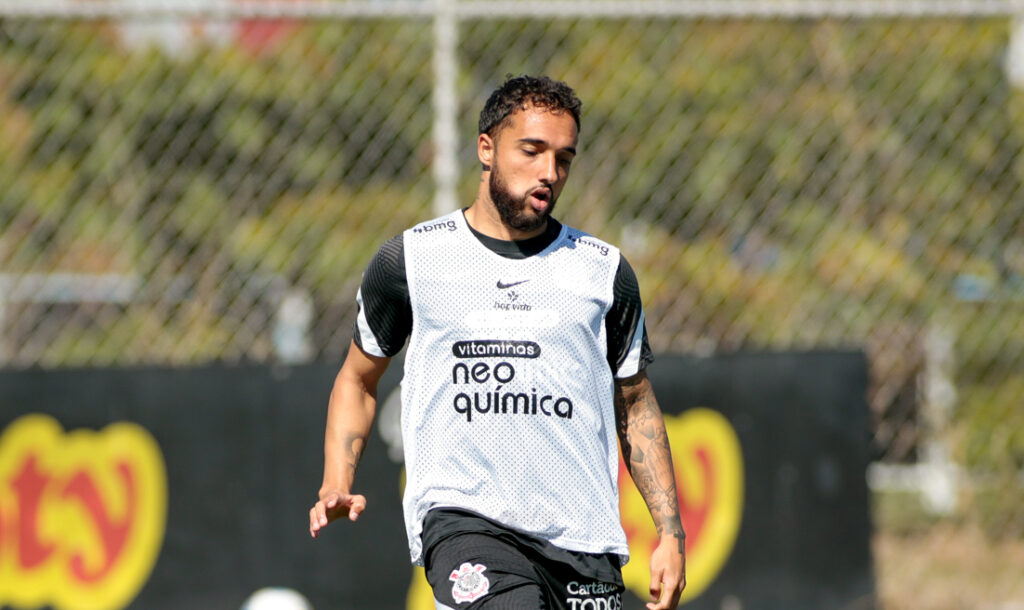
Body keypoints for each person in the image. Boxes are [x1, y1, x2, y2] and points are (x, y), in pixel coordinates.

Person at [309, 75, 686, 610]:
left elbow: (635, 400)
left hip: (582, 539)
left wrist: (670, 533)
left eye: (563, 159)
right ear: (486, 148)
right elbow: (358, 379)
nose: (548, 173)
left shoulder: (604, 272)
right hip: (466, 524)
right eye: (531, 151)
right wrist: (336, 479)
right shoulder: (412, 262)